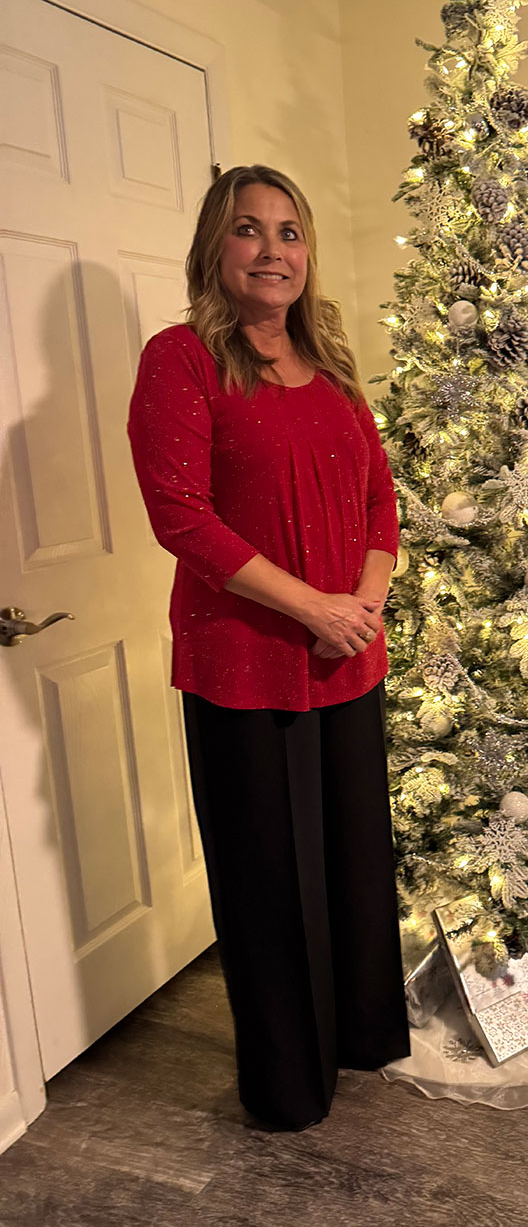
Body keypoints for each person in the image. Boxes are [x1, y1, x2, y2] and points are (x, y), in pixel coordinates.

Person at [128, 164, 409, 1129]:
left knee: (353, 861)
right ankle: (289, 1083)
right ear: (217, 245)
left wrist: (361, 604)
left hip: (347, 657)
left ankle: (361, 1036)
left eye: (290, 232)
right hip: (245, 665)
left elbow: (379, 497)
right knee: (269, 878)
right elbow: (181, 517)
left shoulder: (331, 365)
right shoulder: (180, 360)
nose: (273, 250)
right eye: (250, 230)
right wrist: (311, 608)